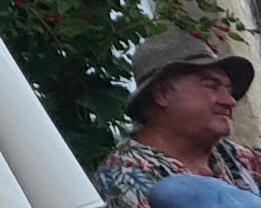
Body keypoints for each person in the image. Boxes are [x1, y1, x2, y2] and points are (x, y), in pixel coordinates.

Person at [99, 32, 261, 208]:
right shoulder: (126, 177)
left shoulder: (229, 155)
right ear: (162, 94)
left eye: (229, 90)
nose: (230, 101)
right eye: (211, 86)